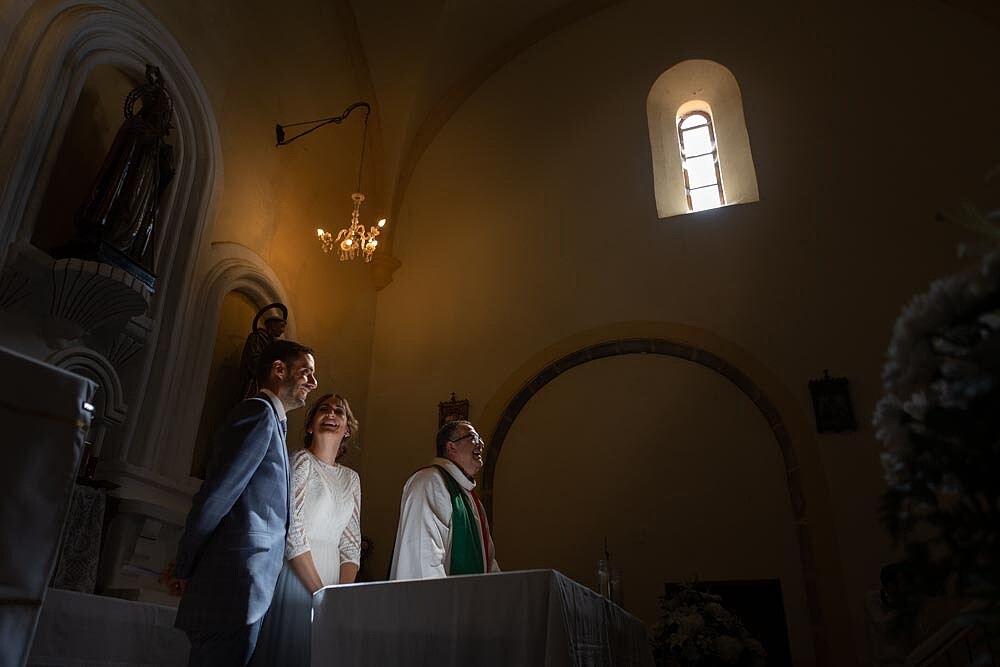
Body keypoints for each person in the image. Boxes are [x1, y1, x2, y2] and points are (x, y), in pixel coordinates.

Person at [172, 340, 317, 666]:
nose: (313, 382)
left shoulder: (274, 423)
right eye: (306, 372)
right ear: (279, 370)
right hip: (232, 585)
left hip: (246, 588)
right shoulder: (257, 413)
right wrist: (185, 563)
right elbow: (217, 495)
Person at [251, 393, 362, 667]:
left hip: (333, 578)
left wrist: (339, 597)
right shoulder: (300, 461)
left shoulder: (352, 478)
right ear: (310, 424)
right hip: (297, 575)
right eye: (324, 409)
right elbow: (293, 531)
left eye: (340, 411)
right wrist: (319, 592)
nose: (332, 414)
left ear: (347, 429)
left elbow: (351, 543)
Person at [389, 420, 499, 580]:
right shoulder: (429, 482)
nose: (481, 443)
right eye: (473, 438)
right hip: (438, 602)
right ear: (451, 447)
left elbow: (488, 562)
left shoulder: (471, 499)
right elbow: (423, 560)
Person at [240, 303, 288, 400]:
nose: (283, 330)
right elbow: (252, 361)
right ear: (272, 325)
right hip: (255, 383)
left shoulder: (274, 344)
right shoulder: (256, 337)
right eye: (281, 326)